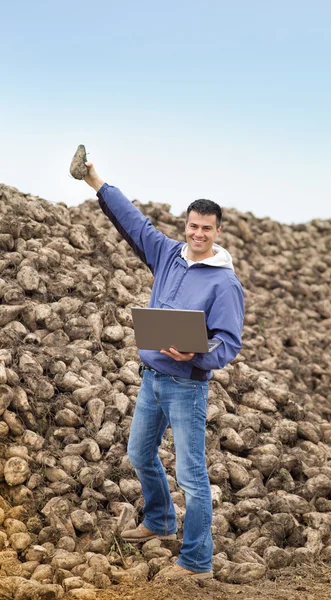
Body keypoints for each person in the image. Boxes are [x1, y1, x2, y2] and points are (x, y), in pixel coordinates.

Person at [82, 163, 245, 580]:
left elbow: (228, 342)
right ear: (186, 225)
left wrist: (196, 353)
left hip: (186, 386)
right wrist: (95, 181)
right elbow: (133, 222)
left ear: (218, 232)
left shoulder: (225, 284)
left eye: (207, 229)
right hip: (152, 379)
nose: (198, 234)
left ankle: (196, 562)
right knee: (139, 453)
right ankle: (159, 520)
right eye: (193, 226)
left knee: (192, 477)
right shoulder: (169, 255)